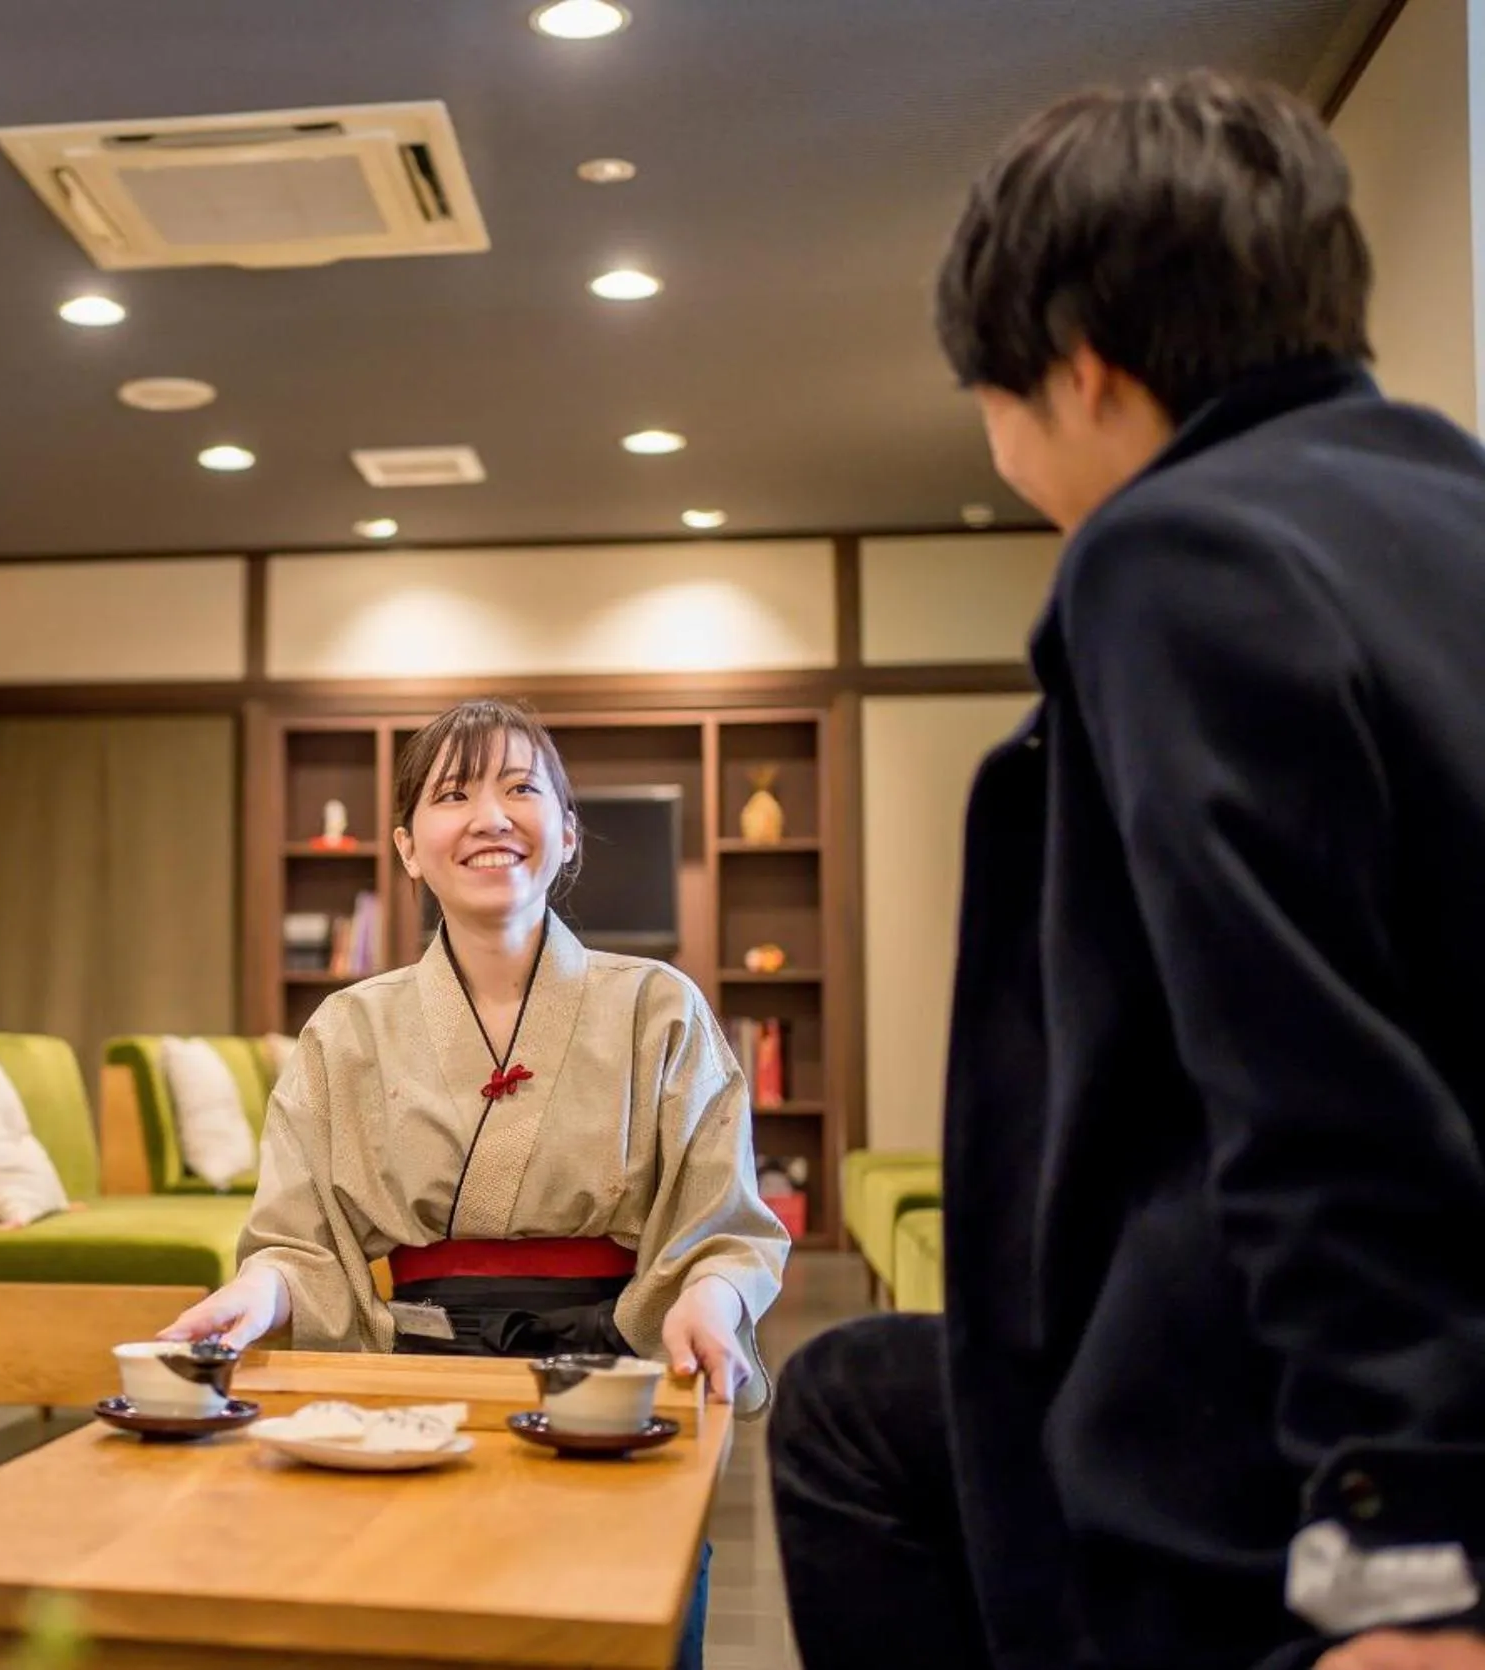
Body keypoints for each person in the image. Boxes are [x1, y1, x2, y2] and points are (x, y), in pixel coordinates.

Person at [769, 70, 1485, 1670]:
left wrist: (1409, 1561)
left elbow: (1309, 1072)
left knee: (867, 1420)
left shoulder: (1175, 554)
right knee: (856, 1398)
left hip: (1278, 1455)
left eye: (993, 397)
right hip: (1383, 1373)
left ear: (1082, 367)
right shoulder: (1448, 498)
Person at [166, 698, 790, 1667]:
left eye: (520, 788)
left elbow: (724, 1227)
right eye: (454, 795)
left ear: (567, 832)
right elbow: (297, 1240)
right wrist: (257, 1292)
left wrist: (711, 1296)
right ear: (408, 848)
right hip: (412, 1377)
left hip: (613, 1372)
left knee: (620, 1622)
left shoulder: (659, 1007)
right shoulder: (347, 1029)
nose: (491, 816)